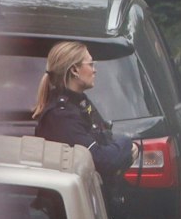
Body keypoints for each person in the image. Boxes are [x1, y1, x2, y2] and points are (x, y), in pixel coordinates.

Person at [32, 40, 140, 182]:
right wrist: (127, 144)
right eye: (90, 64)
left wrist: (125, 150)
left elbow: (105, 139)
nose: (94, 70)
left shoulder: (80, 103)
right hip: (67, 202)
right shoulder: (61, 117)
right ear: (75, 70)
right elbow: (101, 161)